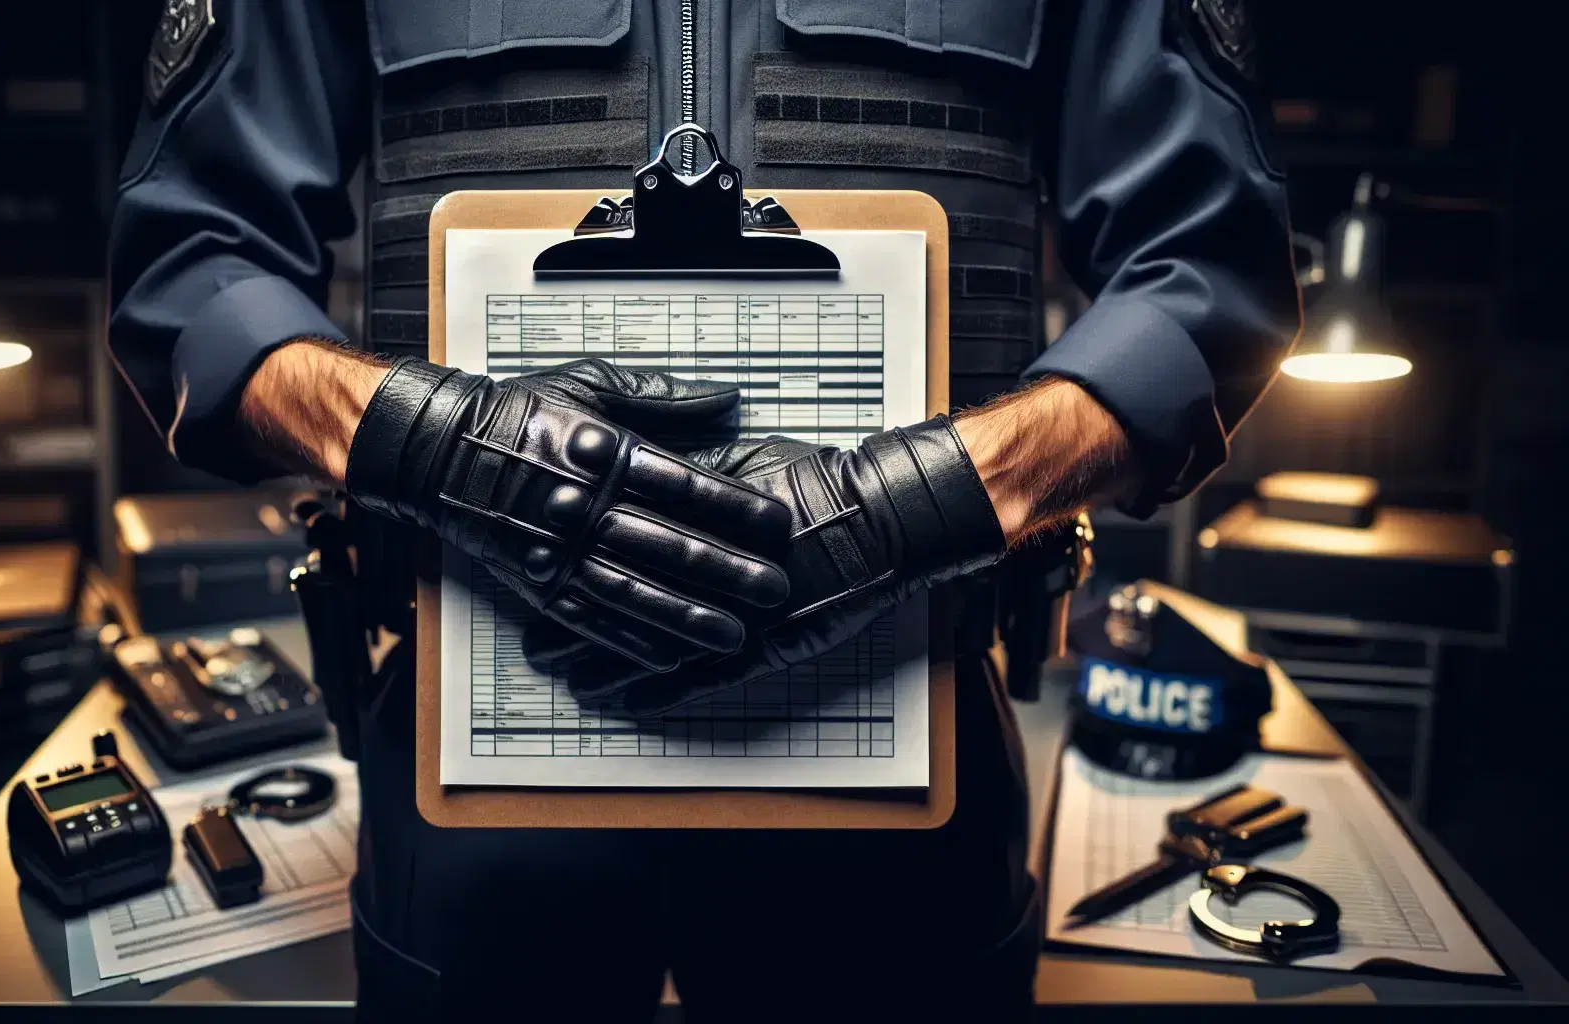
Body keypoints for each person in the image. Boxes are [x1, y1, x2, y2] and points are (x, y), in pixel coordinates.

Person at [108, 0, 1299, 1018]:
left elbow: (1207, 278)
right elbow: (191, 272)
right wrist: (440, 448)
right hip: (473, 772)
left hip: (904, 753)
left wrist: (924, 504)